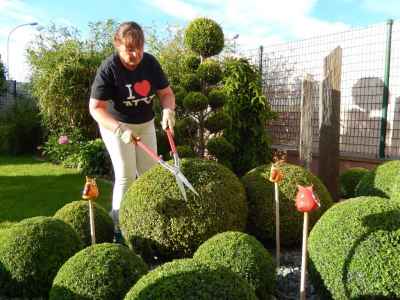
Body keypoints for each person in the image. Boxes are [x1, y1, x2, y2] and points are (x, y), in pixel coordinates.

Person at [89, 21, 176, 241]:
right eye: (129, 49)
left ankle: (149, 222)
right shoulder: (109, 68)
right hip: (116, 125)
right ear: (118, 45)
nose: (136, 54)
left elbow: (166, 93)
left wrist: (168, 111)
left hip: (145, 123)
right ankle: (119, 229)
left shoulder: (150, 64)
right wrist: (120, 129)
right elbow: (96, 109)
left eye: (139, 47)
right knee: (126, 176)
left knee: (149, 175)